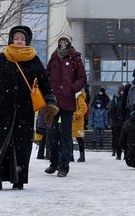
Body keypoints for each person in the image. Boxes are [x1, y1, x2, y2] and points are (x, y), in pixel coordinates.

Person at [0, 25, 58, 191]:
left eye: (22, 39)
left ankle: (18, 179)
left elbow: (45, 83)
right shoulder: (1, 59)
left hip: (25, 111)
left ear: (27, 41)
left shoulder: (34, 60)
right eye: (16, 38)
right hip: (2, 110)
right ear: (11, 39)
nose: (19, 41)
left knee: (21, 146)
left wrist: (51, 102)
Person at [45, 33, 88, 177]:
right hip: (53, 103)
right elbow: (47, 75)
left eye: (65, 41)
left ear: (69, 43)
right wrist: (49, 91)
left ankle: (64, 165)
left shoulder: (75, 58)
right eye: (61, 41)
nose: (63, 43)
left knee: (65, 135)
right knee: (52, 134)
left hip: (67, 103)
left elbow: (82, 79)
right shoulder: (54, 58)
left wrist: (71, 88)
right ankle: (53, 162)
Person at [109, 85, 126, 159]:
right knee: (117, 138)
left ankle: (125, 154)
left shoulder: (126, 99)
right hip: (117, 123)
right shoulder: (115, 100)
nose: (122, 92)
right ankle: (118, 153)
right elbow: (111, 111)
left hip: (124, 122)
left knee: (125, 139)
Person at [72, 89, 88, 162]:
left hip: (77, 121)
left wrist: (76, 115)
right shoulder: (74, 96)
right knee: (72, 139)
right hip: (73, 121)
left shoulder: (79, 96)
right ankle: (71, 155)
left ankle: (81, 156)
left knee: (79, 139)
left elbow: (84, 108)